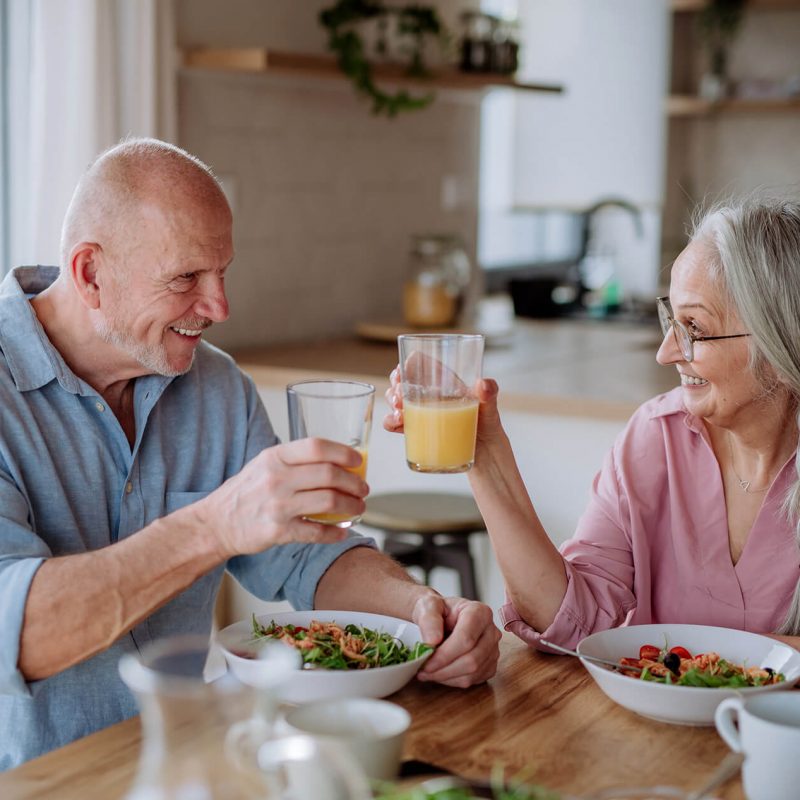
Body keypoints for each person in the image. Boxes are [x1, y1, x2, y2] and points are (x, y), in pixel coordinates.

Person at [0, 138, 500, 770]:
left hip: (189, 760)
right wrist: (213, 525)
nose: (220, 307)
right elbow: (16, 633)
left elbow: (306, 556)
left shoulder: (216, 386)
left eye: (223, 273)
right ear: (90, 273)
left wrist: (425, 614)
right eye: (186, 278)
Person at [386, 196, 800, 652]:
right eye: (671, 319)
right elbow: (570, 624)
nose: (666, 353)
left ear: (781, 345)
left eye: (694, 328)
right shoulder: (657, 437)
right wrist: (482, 454)